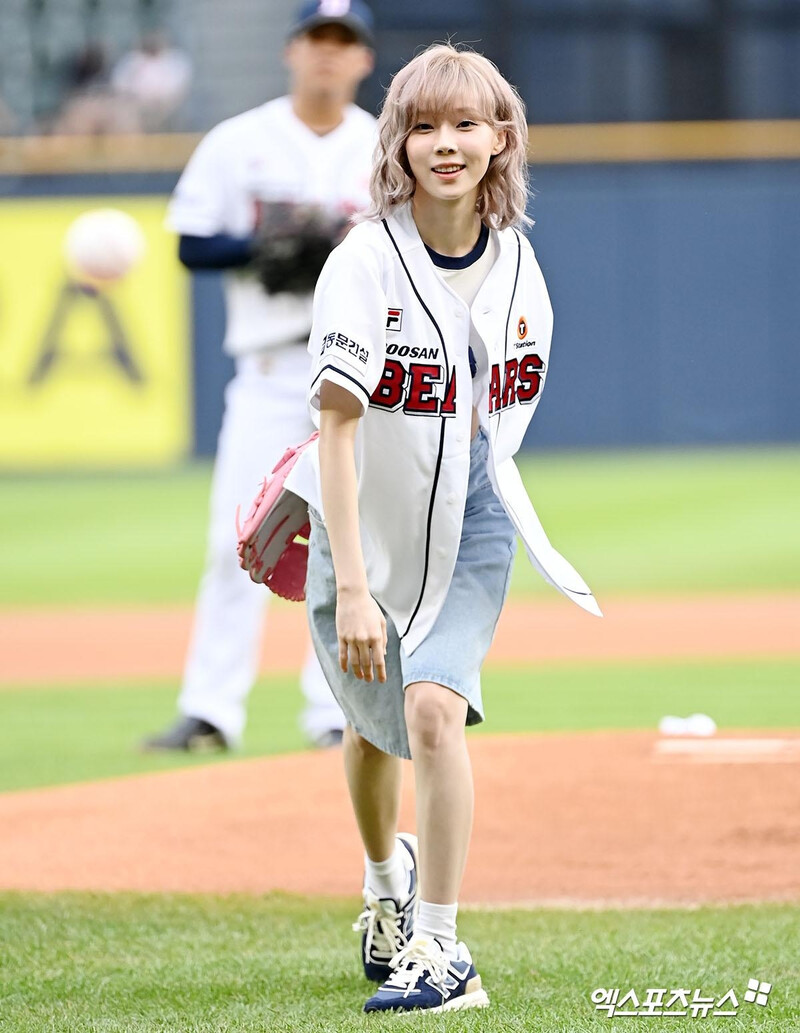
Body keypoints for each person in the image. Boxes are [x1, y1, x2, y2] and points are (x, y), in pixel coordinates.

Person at [288, 43, 601, 1012]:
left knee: (430, 707)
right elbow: (335, 432)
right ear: (399, 144)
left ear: (500, 137)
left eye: (465, 123)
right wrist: (347, 585)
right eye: (422, 125)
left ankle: (441, 948)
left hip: (469, 519)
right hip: (362, 520)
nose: (444, 143)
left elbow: (490, 426)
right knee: (371, 727)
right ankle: (386, 884)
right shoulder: (363, 262)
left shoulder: (515, 261)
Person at [143, 0, 377, 753]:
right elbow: (190, 246)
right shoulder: (238, 141)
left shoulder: (382, 144)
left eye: (344, 42)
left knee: (353, 544)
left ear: (364, 59)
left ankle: (336, 712)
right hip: (273, 367)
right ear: (292, 50)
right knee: (233, 539)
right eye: (318, 39)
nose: (329, 55)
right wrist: (261, 247)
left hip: (359, 370)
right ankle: (212, 709)